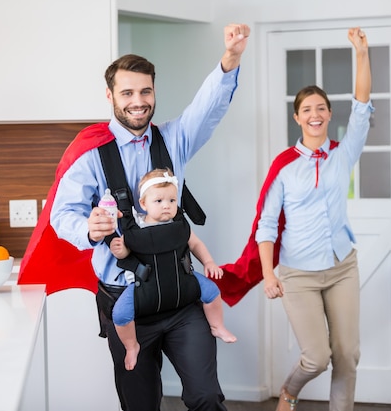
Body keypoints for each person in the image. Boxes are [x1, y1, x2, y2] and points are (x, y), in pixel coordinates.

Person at [41, 23, 250, 411]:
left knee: (205, 396)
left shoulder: (174, 139)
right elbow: (62, 214)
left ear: (154, 92)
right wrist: (86, 227)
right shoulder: (91, 155)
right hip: (126, 305)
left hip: (181, 297)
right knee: (141, 405)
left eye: (145, 91)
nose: (138, 101)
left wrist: (230, 58)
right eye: (127, 93)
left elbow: (207, 107)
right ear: (110, 96)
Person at [256, 28, 372, 411]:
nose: (315, 114)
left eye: (321, 107)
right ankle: (290, 390)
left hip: (342, 266)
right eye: (307, 109)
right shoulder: (284, 168)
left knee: (346, 354)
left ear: (328, 114)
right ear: (297, 117)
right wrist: (269, 274)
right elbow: (267, 225)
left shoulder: (343, 154)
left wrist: (361, 53)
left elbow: (362, 104)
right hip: (298, 274)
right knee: (317, 357)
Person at [109, 168, 237, 371]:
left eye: (172, 200)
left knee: (212, 292)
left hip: (181, 278)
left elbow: (195, 244)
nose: (166, 206)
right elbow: (125, 254)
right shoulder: (135, 228)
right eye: (159, 201)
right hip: (145, 285)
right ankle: (132, 346)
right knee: (120, 315)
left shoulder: (179, 225)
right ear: (143, 204)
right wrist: (120, 250)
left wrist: (209, 263)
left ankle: (217, 326)